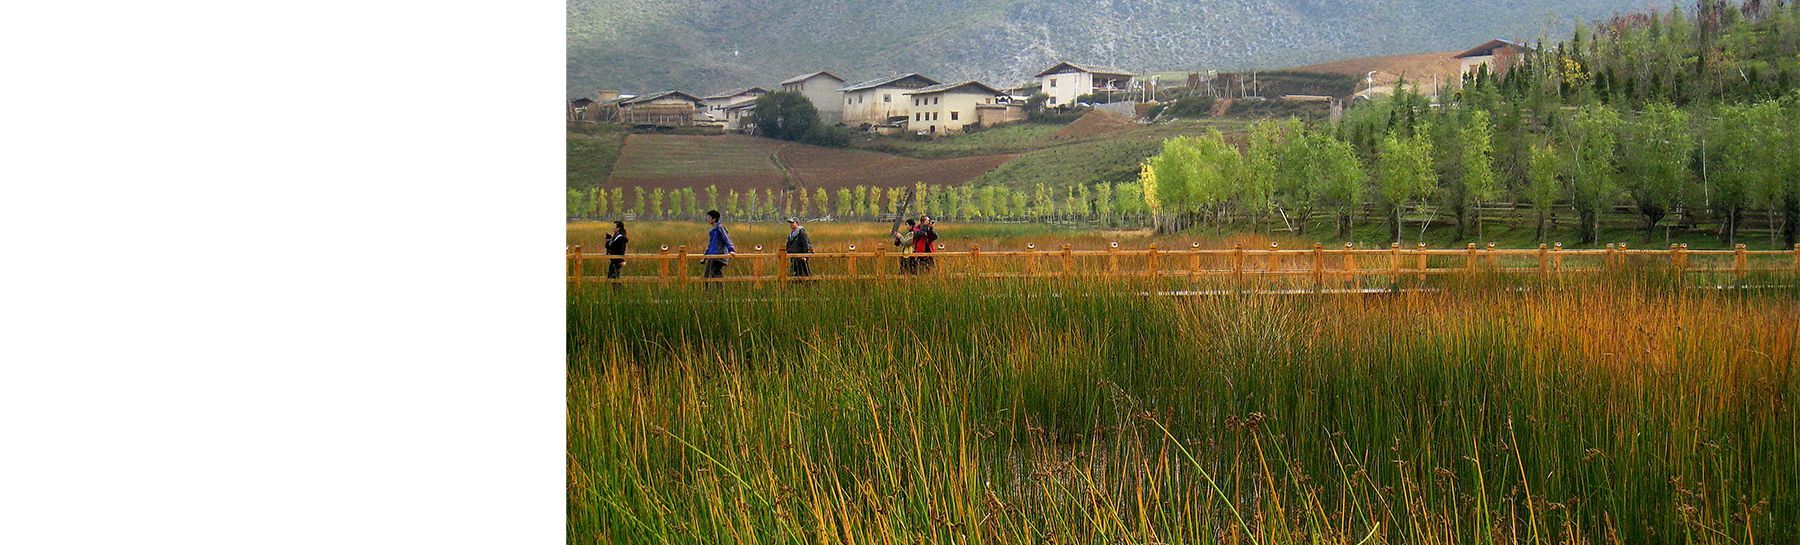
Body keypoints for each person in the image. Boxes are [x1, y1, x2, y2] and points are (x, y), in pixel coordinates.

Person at [703, 210, 735, 281]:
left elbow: (726, 238)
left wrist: (731, 250)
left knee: (708, 275)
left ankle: (711, 291)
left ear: (714, 219)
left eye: (709, 217)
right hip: (712, 256)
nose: (707, 219)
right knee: (715, 275)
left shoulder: (720, 227)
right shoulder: (712, 231)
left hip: (718, 256)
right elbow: (710, 245)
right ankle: (718, 291)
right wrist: (705, 257)